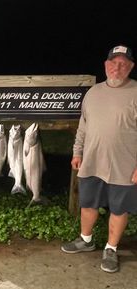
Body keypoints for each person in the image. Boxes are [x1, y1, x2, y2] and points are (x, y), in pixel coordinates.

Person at [61, 45, 137, 273]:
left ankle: (111, 249)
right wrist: (77, 152)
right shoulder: (93, 93)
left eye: (123, 63)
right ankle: (86, 240)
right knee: (88, 203)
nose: (117, 67)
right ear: (106, 65)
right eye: (113, 62)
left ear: (131, 67)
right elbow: (83, 126)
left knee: (119, 209)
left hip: (125, 165)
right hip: (92, 161)